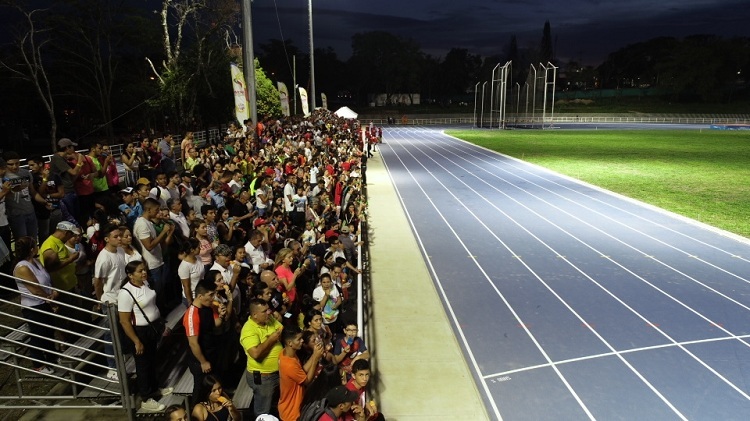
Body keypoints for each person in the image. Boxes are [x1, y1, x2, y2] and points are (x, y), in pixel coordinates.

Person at [118, 260, 173, 412]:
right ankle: (146, 398)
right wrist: (136, 341)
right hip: (139, 332)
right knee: (142, 365)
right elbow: (124, 321)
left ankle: (154, 388)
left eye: (144, 270)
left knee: (152, 360)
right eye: (140, 271)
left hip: (152, 329)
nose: (144, 273)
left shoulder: (146, 283)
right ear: (130, 275)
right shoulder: (126, 293)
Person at [13, 236, 58, 374]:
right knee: (38, 334)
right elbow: (35, 289)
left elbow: (46, 280)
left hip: (45, 302)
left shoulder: (37, 262)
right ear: (32, 249)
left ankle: (52, 358)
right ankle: (38, 364)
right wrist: (49, 299)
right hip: (33, 306)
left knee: (49, 331)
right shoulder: (22, 267)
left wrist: (53, 292)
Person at [39, 221, 84, 343]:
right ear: (65, 232)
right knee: (64, 318)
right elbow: (50, 267)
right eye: (71, 234)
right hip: (61, 289)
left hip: (69, 285)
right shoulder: (50, 245)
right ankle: (65, 342)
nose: (72, 237)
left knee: (74, 314)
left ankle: (74, 338)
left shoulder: (58, 243)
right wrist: (70, 260)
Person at [92, 223, 127, 379]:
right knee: (110, 335)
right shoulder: (103, 258)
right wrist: (100, 300)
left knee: (121, 332)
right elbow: (98, 281)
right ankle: (112, 367)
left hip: (122, 297)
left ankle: (121, 359)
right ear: (107, 239)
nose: (119, 239)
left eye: (120, 235)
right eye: (116, 236)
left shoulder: (120, 251)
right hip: (110, 300)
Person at [239, 298, 284, 418]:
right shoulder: (248, 330)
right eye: (264, 311)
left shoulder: (268, 319)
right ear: (255, 315)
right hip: (264, 377)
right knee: (263, 410)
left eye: (268, 309)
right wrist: (271, 340)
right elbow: (256, 354)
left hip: (277, 372)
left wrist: (265, 345)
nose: (269, 312)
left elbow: (280, 330)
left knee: (273, 402)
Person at [183, 279, 227, 399]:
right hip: (200, 360)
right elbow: (193, 343)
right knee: (201, 390)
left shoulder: (208, 307)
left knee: (216, 386)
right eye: (210, 295)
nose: (213, 298)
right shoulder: (192, 315)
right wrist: (203, 362)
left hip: (211, 353)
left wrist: (221, 316)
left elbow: (215, 324)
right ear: (200, 296)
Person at [133, 198, 174, 313]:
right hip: (151, 264)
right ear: (148, 210)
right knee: (156, 291)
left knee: (161, 289)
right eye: (156, 210)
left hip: (157, 260)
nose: (158, 212)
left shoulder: (148, 222)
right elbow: (149, 246)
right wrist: (163, 232)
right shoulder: (142, 224)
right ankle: (159, 313)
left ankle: (163, 310)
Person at [278, 325, 324, 421]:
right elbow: (307, 381)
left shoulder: (285, 353)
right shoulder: (289, 365)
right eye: (298, 339)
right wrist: (315, 359)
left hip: (290, 407)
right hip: (291, 412)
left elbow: (301, 371)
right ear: (290, 343)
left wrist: (314, 355)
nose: (302, 341)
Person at [178, 238, 205, 306]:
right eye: (198, 247)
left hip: (200, 294)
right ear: (192, 250)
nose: (200, 248)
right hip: (192, 297)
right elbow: (186, 286)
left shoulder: (198, 258)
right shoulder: (184, 267)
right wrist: (190, 302)